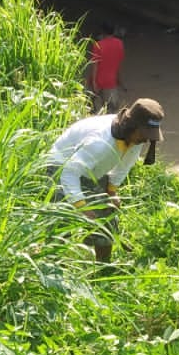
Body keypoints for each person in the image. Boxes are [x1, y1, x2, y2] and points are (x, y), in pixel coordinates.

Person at [45, 98, 164, 263]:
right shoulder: (99, 142)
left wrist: (112, 191)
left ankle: (103, 269)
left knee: (106, 213)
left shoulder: (134, 139)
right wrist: (81, 206)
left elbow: (124, 166)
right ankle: (53, 268)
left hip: (92, 168)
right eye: (144, 134)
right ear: (132, 126)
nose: (146, 139)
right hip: (61, 165)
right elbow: (69, 173)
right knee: (62, 220)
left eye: (149, 135)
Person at [84, 20, 126, 114]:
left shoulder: (98, 45)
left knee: (89, 106)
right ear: (114, 31)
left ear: (102, 32)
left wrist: (94, 82)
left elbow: (95, 65)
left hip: (98, 80)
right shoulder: (119, 43)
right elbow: (118, 63)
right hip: (111, 82)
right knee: (111, 111)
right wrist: (119, 80)